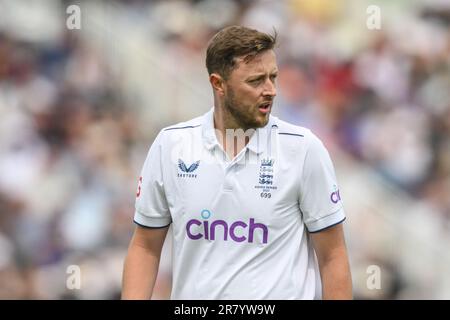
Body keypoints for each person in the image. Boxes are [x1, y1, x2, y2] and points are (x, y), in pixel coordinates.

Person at [122, 25, 352, 300]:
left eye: (273, 77)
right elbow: (146, 247)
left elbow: (333, 256)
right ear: (218, 84)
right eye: (256, 81)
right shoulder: (171, 146)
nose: (270, 90)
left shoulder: (303, 149)